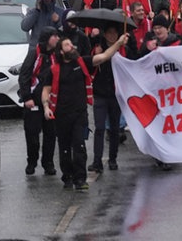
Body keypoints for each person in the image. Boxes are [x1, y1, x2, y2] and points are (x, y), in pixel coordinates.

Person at [41, 30, 126, 191]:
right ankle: (67, 177)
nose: (72, 46)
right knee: (65, 148)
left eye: (71, 44)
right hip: (61, 115)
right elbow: (46, 90)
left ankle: (80, 179)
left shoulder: (82, 62)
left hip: (79, 114)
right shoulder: (54, 70)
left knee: (79, 146)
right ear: (61, 51)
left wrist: (119, 43)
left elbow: (104, 56)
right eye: (67, 45)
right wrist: (46, 107)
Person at [17, 27, 60, 175]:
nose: (57, 39)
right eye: (54, 36)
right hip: (33, 101)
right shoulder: (34, 54)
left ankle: (48, 163)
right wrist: (27, 97)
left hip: (51, 102)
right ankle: (32, 161)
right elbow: (24, 75)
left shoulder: (57, 55)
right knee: (32, 133)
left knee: (50, 134)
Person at [89, 24, 124, 174]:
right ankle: (97, 161)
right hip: (100, 94)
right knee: (100, 128)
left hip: (115, 95)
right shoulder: (98, 49)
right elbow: (90, 66)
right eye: (108, 33)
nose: (111, 36)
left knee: (115, 129)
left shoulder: (123, 50)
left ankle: (113, 159)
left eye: (114, 33)